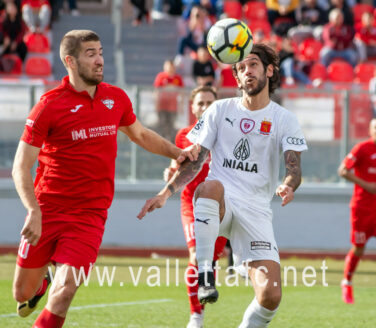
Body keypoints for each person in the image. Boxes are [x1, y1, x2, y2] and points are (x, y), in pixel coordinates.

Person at [12, 29, 199, 328]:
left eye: (100, 52)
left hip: (90, 216)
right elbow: (20, 166)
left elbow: (140, 134)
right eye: (91, 54)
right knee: (21, 293)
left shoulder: (116, 98)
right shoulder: (48, 106)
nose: (100, 60)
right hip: (48, 210)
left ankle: (54, 283)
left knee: (64, 294)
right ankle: (44, 279)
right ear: (70, 61)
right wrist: (33, 210)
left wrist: (177, 153)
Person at [138, 43, 307, 327]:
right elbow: (196, 161)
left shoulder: (284, 119)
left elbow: (294, 167)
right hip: (221, 203)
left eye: (253, 65)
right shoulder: (219, 109)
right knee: (209, 186)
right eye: (241, 68)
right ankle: (206, 278)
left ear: (269, 70)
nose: (246, 71)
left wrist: (289, 185)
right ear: (236, 78)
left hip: (256, 210)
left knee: (270, 296)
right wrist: (165, 193)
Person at [164, 85, 227, 328]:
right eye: (200, 103)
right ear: (192, 107)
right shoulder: (184, 136)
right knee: (195, 256)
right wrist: (169, 174)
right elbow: (174, 166)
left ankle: (207, 286)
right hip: (192, 204)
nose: (204, 107)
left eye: (209, 102)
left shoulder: (226, 135)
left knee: (209, 261)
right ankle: (196, 316)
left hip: (220, 206)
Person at [338, 118, 376, 304]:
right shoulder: (362, 148)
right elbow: (343, 170)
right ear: (370, 130)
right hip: (362, 209)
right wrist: (366, 185)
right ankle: (347, 282)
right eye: (375, 127)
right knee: (359, 247)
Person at [153, 59, 184, 141]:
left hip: (173, 107)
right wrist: (156, 104)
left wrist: (181, 105)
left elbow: (182, 93)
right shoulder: (161, 77)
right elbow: (156, 91)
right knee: (163, 123)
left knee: (171, 124)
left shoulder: (178, 78)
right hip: (162, 106)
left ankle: (170, 141)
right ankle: (161, 140)